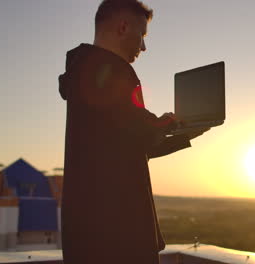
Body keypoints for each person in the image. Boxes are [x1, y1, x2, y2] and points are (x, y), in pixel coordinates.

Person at [58, 0, 208, 263]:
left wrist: (185, 134)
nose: (143, 47)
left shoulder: (83, 71)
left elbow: (137, 143)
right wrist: (173, 121)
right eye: (142, 35)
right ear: (123, 27)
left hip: (87, 233)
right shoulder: (111, 70)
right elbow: (145, 129)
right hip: (117, 234)